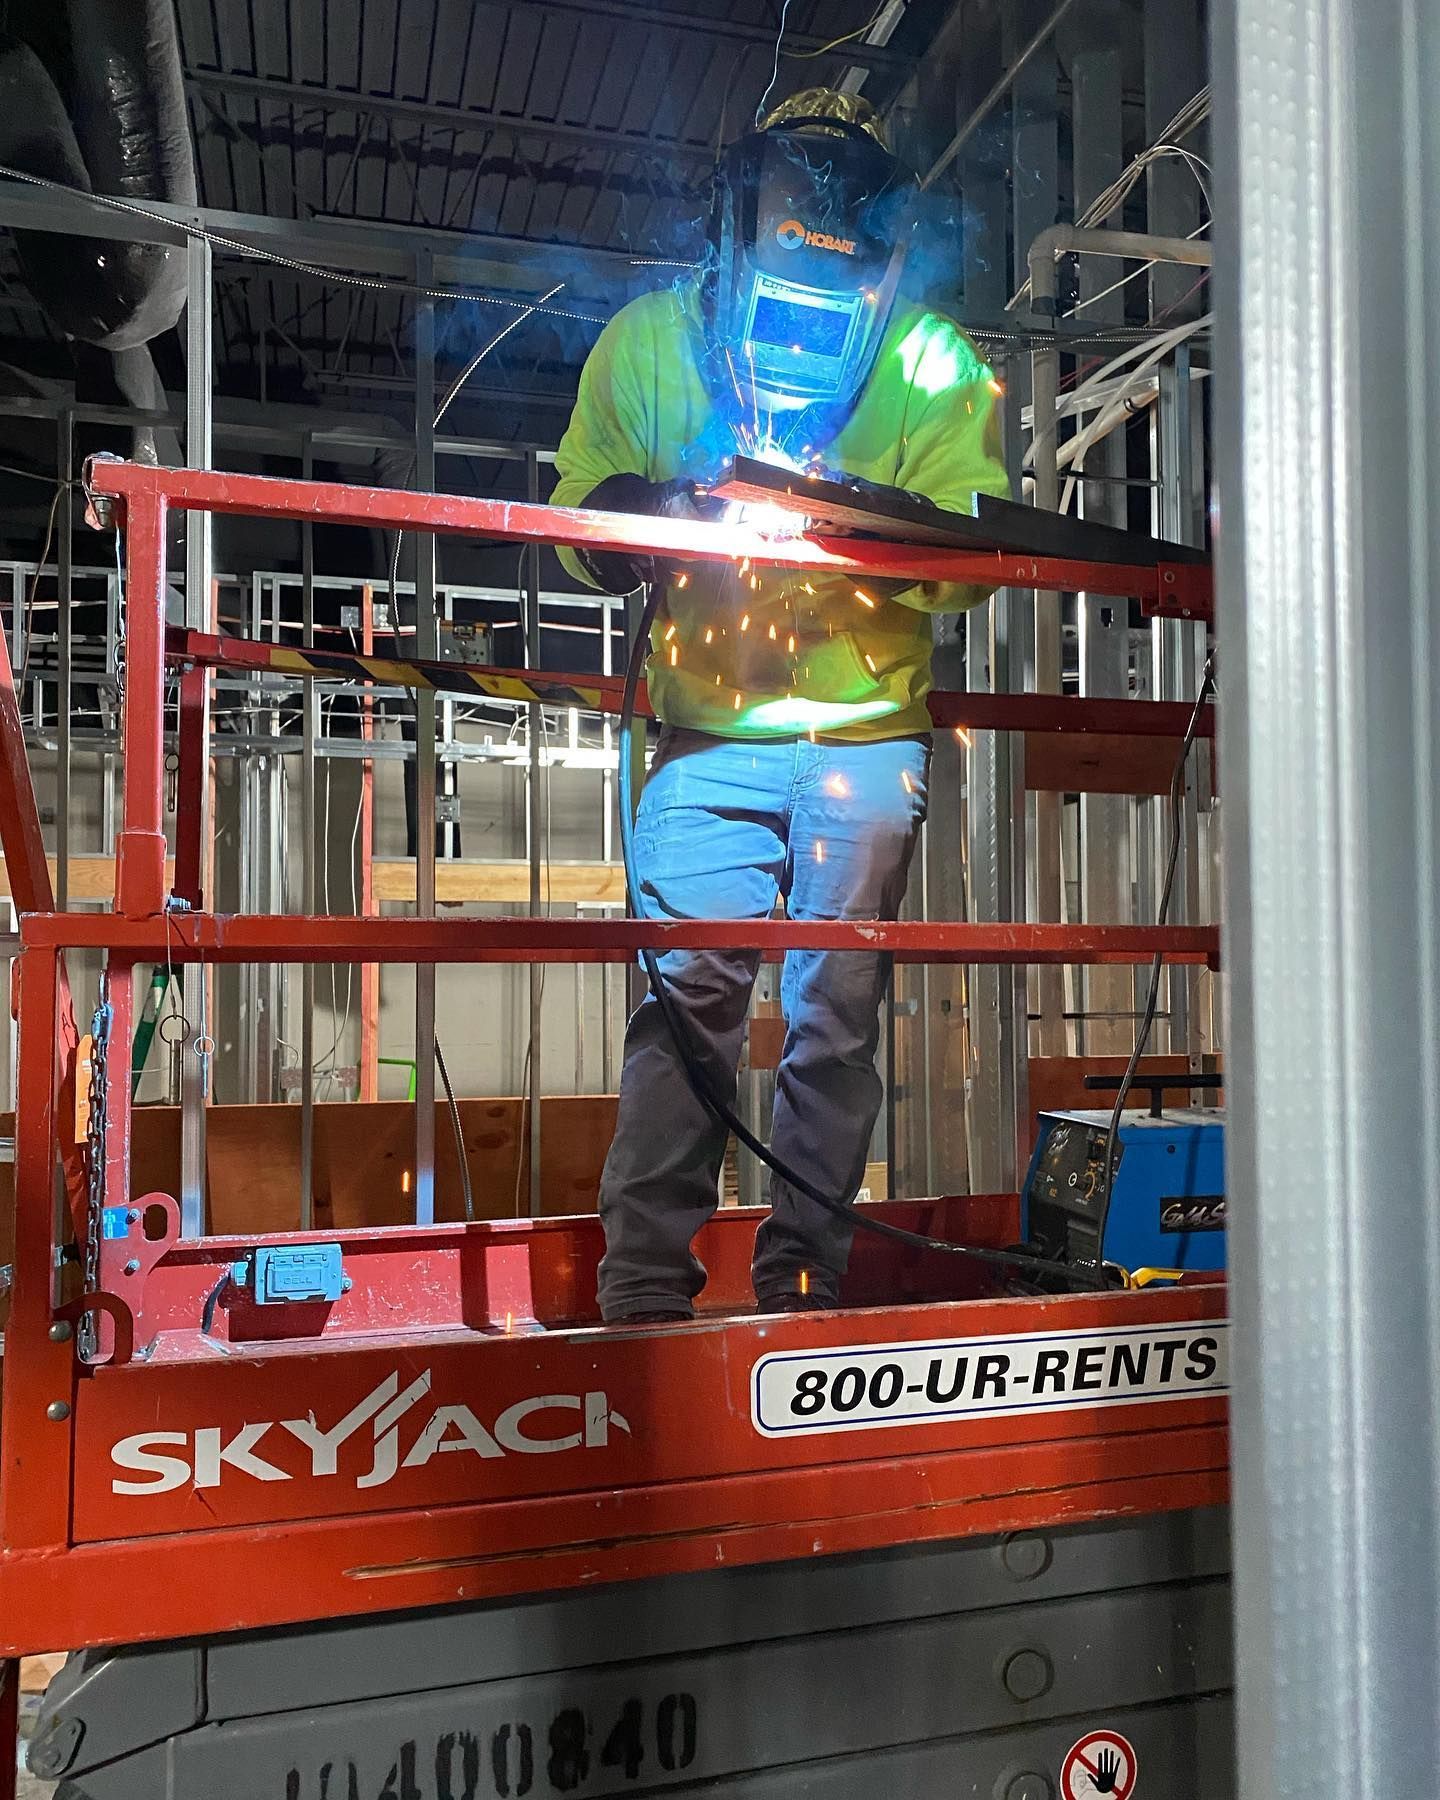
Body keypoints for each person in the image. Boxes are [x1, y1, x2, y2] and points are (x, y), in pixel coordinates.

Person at [551, 88, 1009, 1323]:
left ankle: (804, 1276)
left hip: (863, 740)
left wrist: (848, 517)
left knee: (833, 1017)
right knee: (688, 1007)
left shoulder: (926, 360)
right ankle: (644, 1290)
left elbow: (966, 545)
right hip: (706, 739)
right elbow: (579, 512)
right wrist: (664, 510)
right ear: (736, 227)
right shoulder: (652, 340)